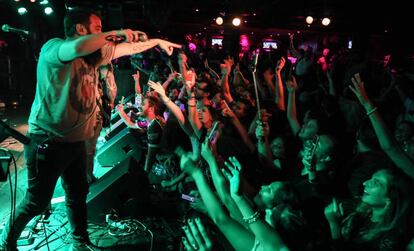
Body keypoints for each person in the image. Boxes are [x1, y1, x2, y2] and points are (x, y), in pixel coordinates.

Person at [0, 7, 180, 251]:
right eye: (97, 28)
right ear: (81, 29)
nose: (102, 32)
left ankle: (80, 241)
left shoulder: (94, 56)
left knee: (77, 194)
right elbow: (76, 47)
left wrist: (156, 41)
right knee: (36, 201)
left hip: (75, 142)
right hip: (48, 140)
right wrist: (118, 32)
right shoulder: (55, 48)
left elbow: (125, 48)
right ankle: (6, 241)